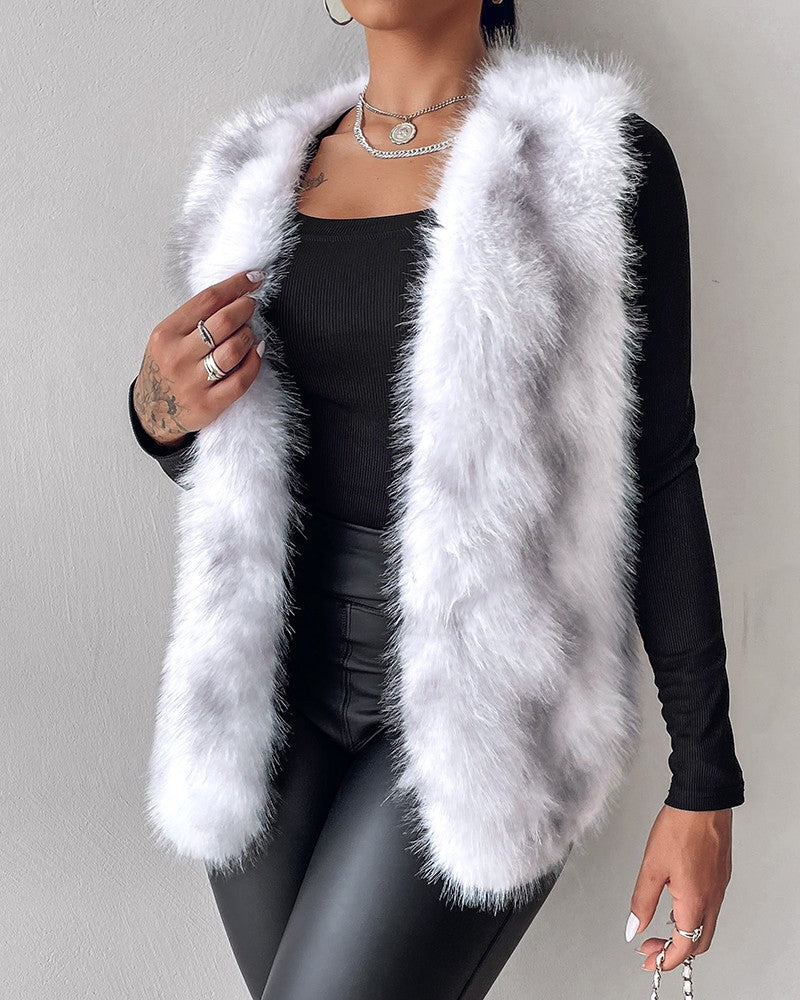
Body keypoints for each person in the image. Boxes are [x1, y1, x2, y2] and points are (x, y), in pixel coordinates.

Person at [128, 3, 745, 997]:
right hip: (264, 690)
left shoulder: (587, 161)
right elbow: (231, 465)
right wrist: (157, 413)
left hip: (488, 692)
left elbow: (660, 469)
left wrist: (703, 780)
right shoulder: (250, 174)